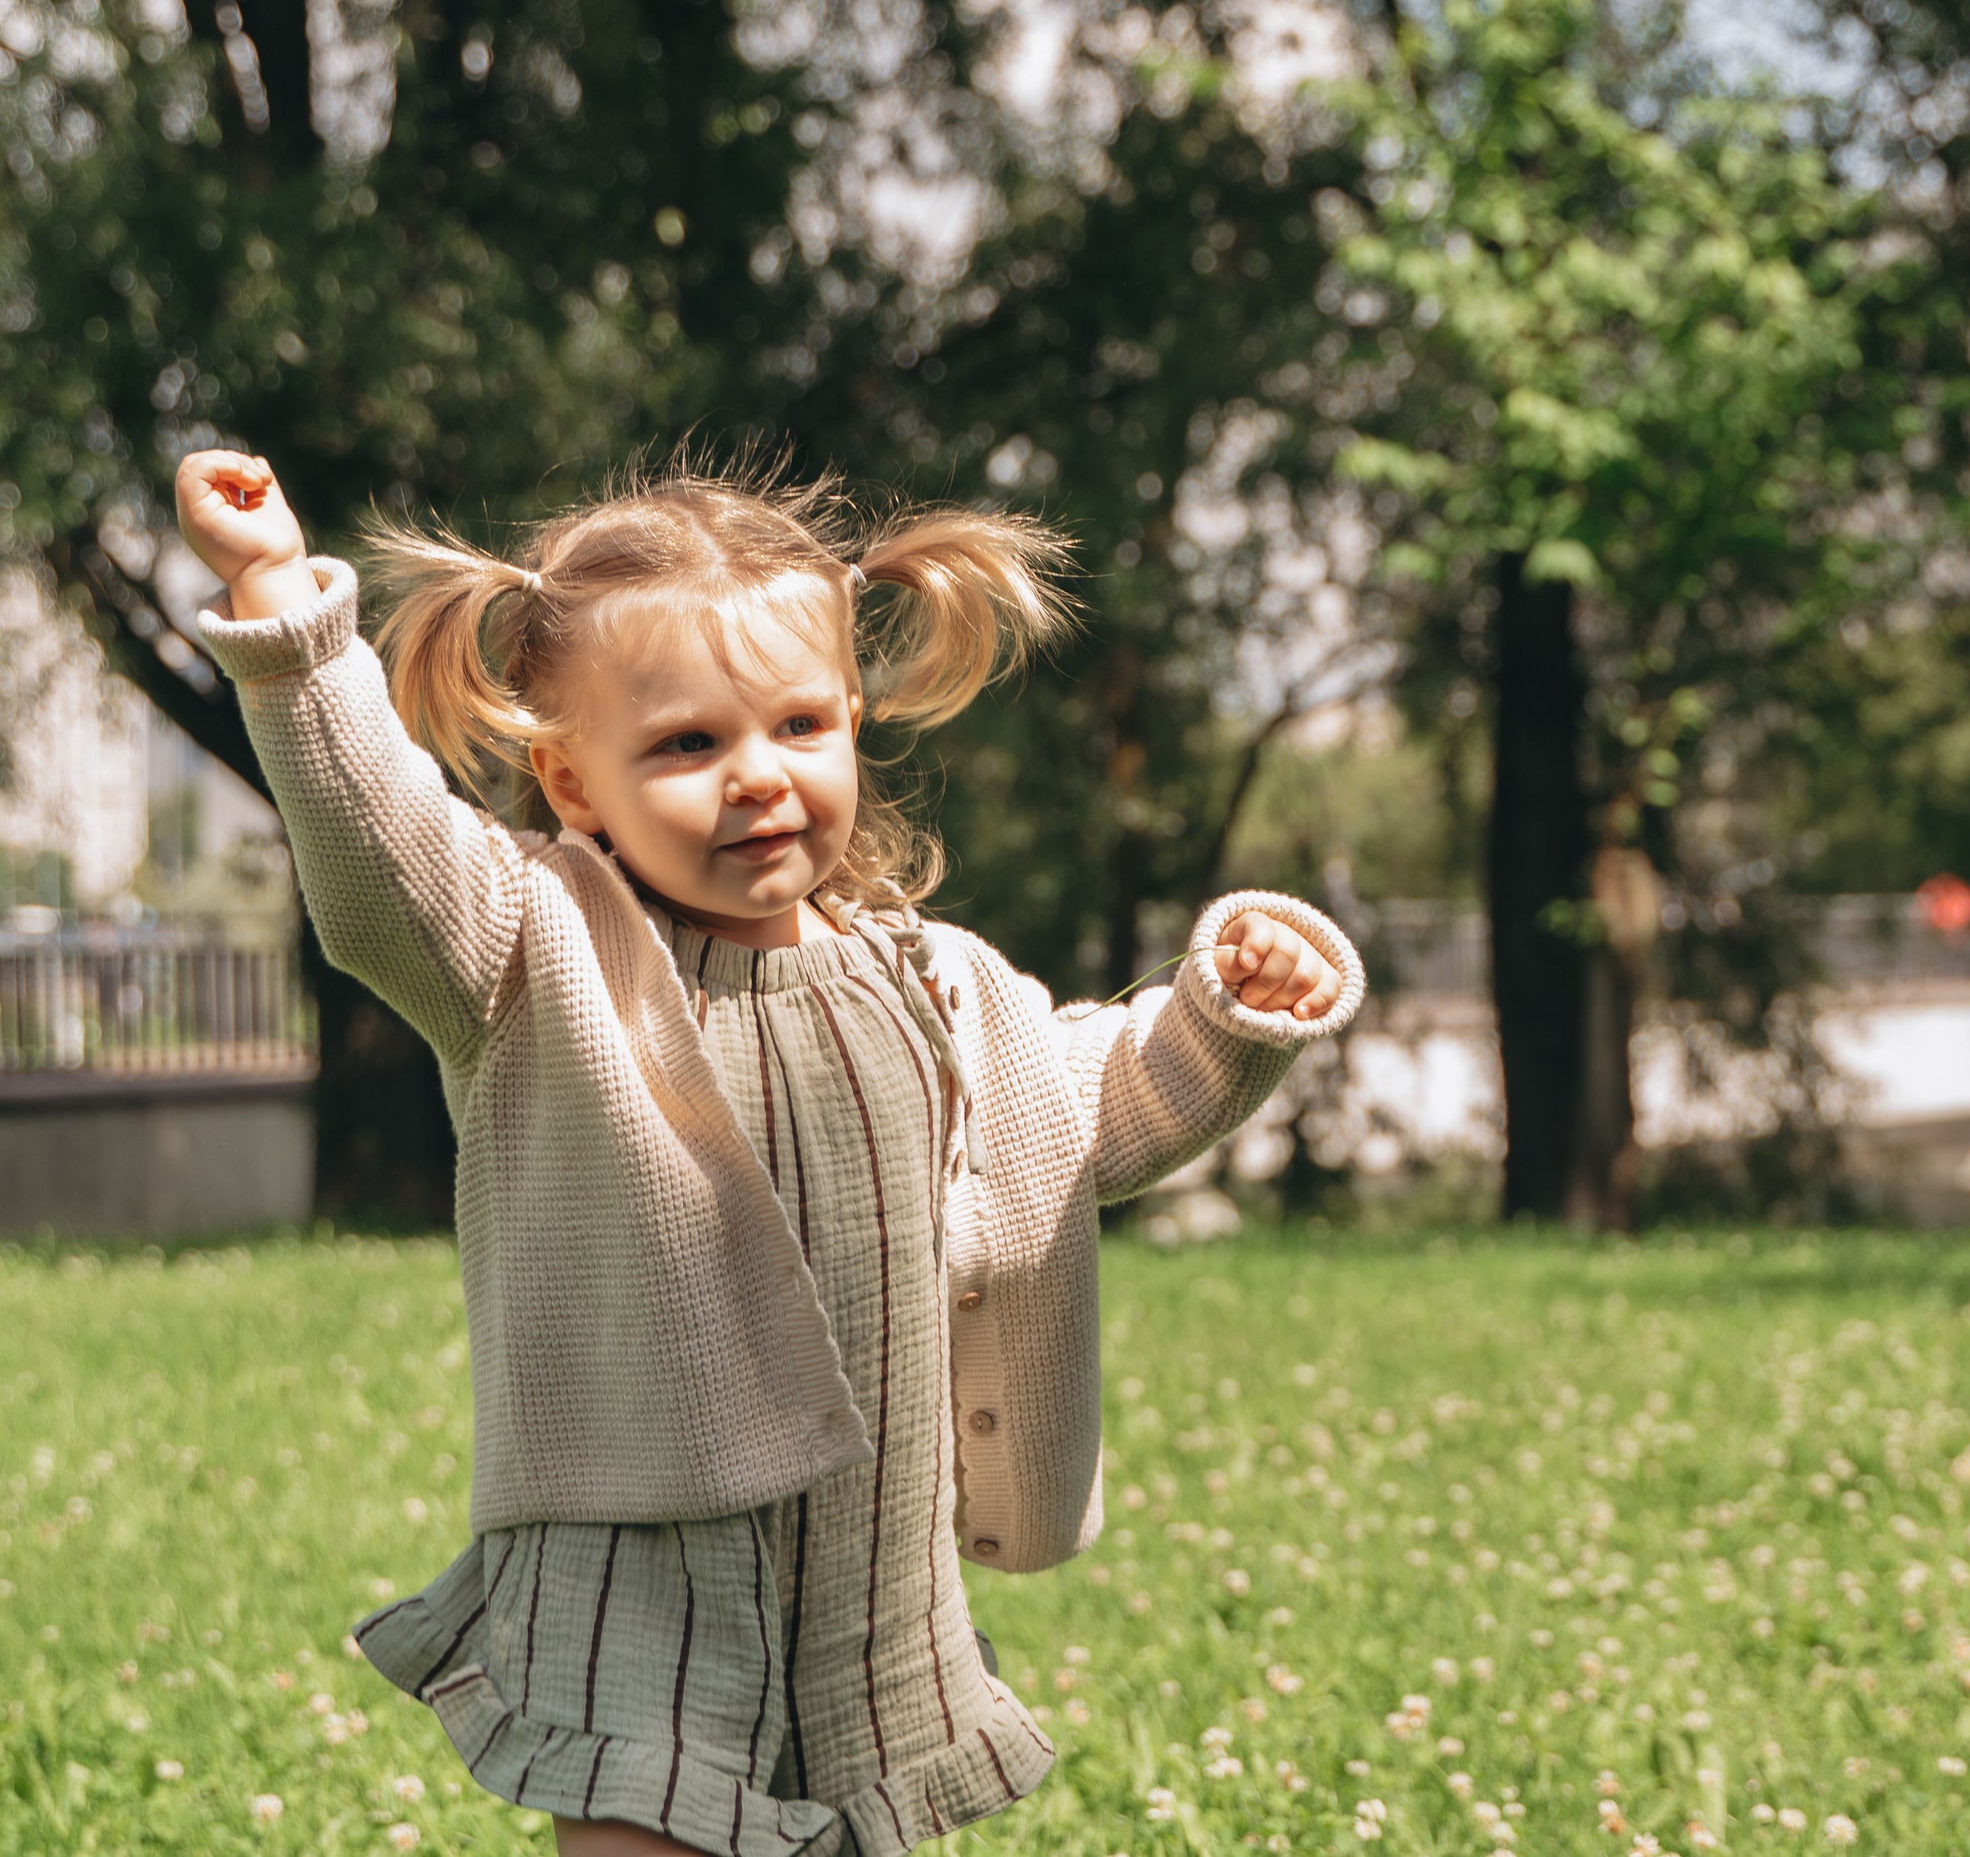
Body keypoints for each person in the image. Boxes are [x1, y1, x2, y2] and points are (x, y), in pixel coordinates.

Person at [173, 449, 1366, 1857]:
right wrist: (279, 607)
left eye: (799, 724)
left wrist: (1225, 1018)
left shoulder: (931, 983)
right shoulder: (526, 956)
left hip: (872, 1587)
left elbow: (1094, 1105)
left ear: (853, 722)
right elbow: (373, 851)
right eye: (685, 746)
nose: (758, 780)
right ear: (573, 778)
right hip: (640, 1574)